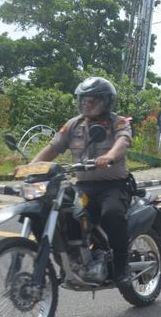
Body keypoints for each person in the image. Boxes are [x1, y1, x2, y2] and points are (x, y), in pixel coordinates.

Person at [30, 77, 133, 285]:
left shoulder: (117, 122)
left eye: (93, 99)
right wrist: (30, 167)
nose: (87, 103)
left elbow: (123, 141)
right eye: (83, 99)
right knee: (60, 214)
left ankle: (122, 267)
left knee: (111, 214)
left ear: (106, 101)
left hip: (113, 186)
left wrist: (110, 156)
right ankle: (72, 261)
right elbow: (52, 148)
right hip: (84, 187)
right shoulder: (72, 125)